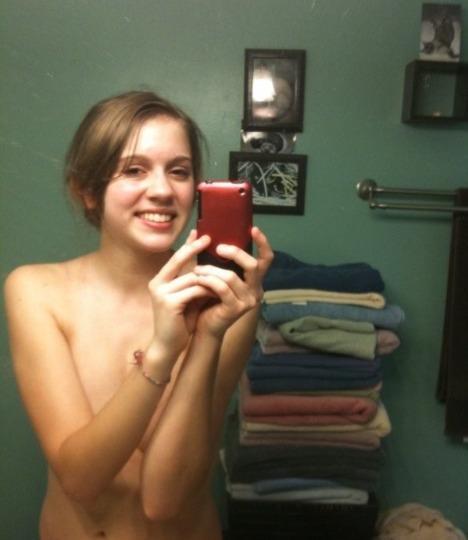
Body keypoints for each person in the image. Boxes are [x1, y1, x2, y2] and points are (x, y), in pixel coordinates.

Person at [4, 90, 273, 540]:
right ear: (86, 190)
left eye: (179, 171)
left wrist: (206, 337)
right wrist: (162, 352)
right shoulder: (36, 292)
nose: (163, 191)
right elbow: (81, 481)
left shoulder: (229, 304)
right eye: (134, 169)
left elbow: (163, 501)